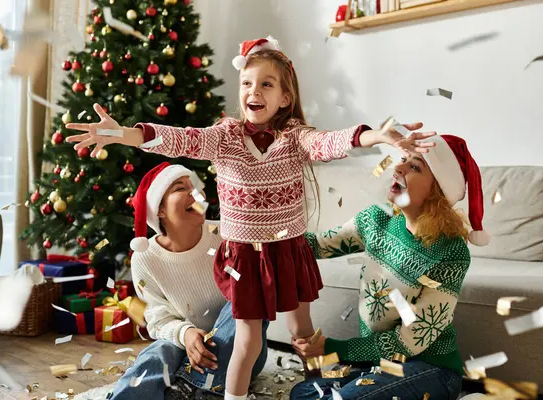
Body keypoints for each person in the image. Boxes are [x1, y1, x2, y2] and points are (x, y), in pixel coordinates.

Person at [65, 35, 436, 400]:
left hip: (288, 249)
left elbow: (332, 143)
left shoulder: (295, 136)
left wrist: (376, 137)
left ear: (284, 98)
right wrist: (123, 134)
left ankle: (320, 390)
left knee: (302, 330)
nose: (253, 91)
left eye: (266, 84)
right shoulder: (224, 137)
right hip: (244, 256)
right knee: (247, 336)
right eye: (246, 83)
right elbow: (178, 139)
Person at [290, 134, 490, 400]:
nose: (398, 168)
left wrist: (330, 348)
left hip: (429, 368)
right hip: (380, 365)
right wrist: (268, 234)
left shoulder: (451, 252)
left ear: (437, 191)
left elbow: (409, 341)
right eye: (403, 160)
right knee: (302, 393)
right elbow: (316, 245)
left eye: (415, 167)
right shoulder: (377, 219)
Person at [110, 162, 268, 400]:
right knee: (158, 353)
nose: (195, 192)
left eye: (196, 186)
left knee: (246, 298)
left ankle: (192, 386)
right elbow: (157, 318)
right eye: (179, 187)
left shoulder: (227, 236)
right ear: (159, 210)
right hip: (186, 346)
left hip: (240, 350)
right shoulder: (145, 258)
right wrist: (185, 334)